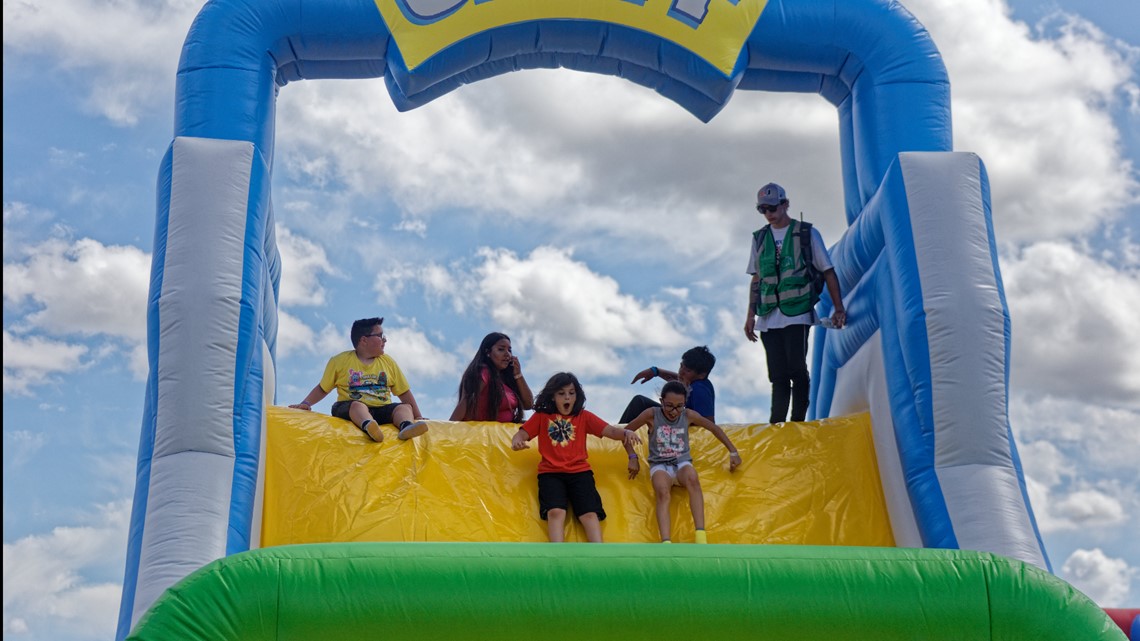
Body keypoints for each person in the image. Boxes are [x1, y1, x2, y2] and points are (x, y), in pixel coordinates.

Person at [744, 183, 846, 424]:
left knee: (797, 369)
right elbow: (757, 279)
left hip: (797, 311)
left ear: (785, 204)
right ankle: (776, 423)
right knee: (777, 374)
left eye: (772, 207)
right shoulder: (760, 238)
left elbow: (828, 271)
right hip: (768, 314)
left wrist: (838, 307)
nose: (768, 213)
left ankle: (798, 421)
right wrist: (750, 315)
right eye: (763, 209)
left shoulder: (806, 233)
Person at [511, 372, 641, 542]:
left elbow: (610, 431)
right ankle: (558, 551)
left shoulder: (583, 416)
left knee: (589, 514)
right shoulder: (542, 417)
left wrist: (626, 432)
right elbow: (522, 434)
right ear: (552, 397)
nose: (567, 397)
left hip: (580, 473)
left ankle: (598, 551)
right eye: (561, 393)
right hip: (550, 473)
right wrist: (517, 441)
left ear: (576, 396)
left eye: (571, 393)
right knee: (555, 512)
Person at [625, 381, 741, 543]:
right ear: (661, 401)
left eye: (679, 406)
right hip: (660, 465)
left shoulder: (688, 415)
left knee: (693, 478)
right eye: (669, 406)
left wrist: (733, 452)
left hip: (681, 464)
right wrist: (633, 457)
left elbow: (713, 428)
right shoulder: (651, 414)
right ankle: (666, 541)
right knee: (662, 491)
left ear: (685, 403)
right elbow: (625, 432)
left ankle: (701, 536)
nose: (674, 412)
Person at [289, 317, 428, 442]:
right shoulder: (340, 361)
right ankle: (369, 425)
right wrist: (305, 403)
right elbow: (322, 388)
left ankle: (406, 426)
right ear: (364, 340)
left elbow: (404, 392)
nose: (385, 340)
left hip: (381, 409)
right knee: (357, 406)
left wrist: (418, 416)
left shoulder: (388, 362)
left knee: (404, 407)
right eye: (380, 336)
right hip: (350, 409)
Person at [618, 346, 717, 424]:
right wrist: (656, 371)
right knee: (641, 403)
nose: (681, 372)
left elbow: (709, 423)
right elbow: (679, 379)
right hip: (678, 420)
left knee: (639, 403)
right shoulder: (693, 382)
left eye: (687, 370)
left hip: (682, 429)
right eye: (681, 366)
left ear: (701, 374)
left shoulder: (700, 390)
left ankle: (617, 437)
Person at [449, 332, 534, 422]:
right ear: (487, 352)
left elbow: (528, 404)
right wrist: (449, 428)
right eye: (501, 349)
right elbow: (466, 401)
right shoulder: (483, 371)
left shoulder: (506, 379)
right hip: (483, 430)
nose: (507, 354)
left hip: (505, 430)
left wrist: (518, 375)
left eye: (509, 350)